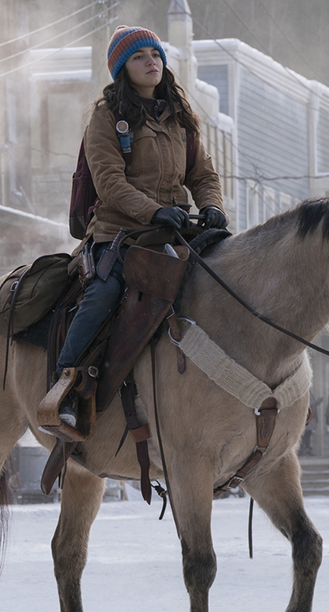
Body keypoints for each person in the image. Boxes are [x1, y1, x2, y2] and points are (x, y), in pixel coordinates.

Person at [44, 26, 227, 427]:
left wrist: (211, 206)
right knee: (104, 294)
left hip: (178, 232)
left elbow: (205, 176)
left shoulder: (181, 118)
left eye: (156, 54)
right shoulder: (106, 118)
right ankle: (66, 388)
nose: (152, 61)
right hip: (120, 235)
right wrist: (154, 212)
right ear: (122, 68)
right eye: (140, 56)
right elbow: (109, 182)